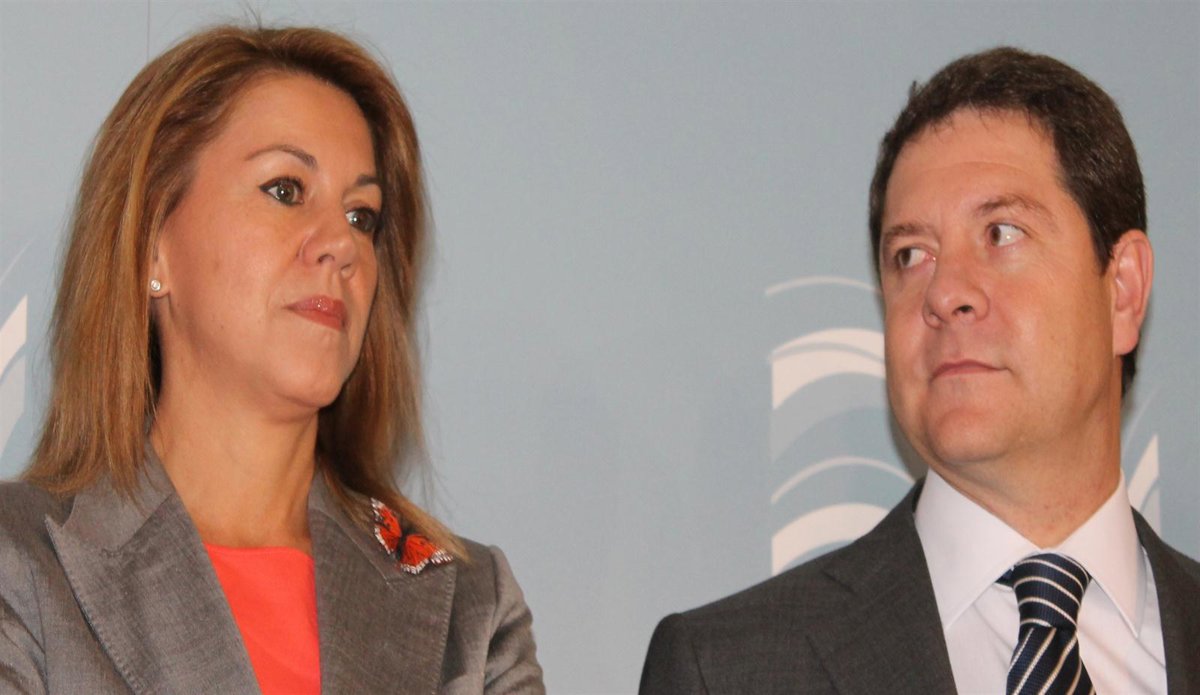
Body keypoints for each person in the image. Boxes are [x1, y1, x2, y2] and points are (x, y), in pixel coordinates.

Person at [0, 25, 543, 694]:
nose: (340, 244)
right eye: (286, 190)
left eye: (362, 216)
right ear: (152, 247)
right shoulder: (19, 563)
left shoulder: (469, 606)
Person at [639, 47, 1200, 694]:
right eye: (911, 254)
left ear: (1123, 290)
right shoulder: (728, 671)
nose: (945, 292)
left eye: (1001, 233)